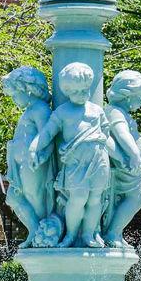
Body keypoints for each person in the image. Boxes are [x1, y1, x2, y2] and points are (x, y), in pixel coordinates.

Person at [29, 62, 111, 248]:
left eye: (85, 90)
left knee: (95, 198)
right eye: (76, 92)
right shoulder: (63, 112)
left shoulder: (97, 110)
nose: (81, 95)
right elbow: (47, 133)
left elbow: (105, 132)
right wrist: (34, 148)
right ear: (67, 91)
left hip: (98, 159)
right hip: (76, 163)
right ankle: (71, 234)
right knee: (78, 198)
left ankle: (89, 234)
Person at [2, 66, 54, 248]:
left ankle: (44, 230)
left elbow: (47, 136)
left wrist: (42, 155)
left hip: (33, 164)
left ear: (28, 90)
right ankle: (35, 229)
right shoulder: (30, 110)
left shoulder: (40, 109)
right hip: (20, 164)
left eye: (15, 94)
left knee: (35, 196)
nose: (14, 99)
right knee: (14, 198)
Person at [103, 70, 141, 247]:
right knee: (135, 199)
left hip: (129, 168)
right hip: (126, 167)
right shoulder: (115, 112)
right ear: (127, 96)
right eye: (140, 99)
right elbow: (121, 134)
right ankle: (112, 233)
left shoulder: (120, 112)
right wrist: (133, 155)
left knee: (135, 199)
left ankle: (114, 233)